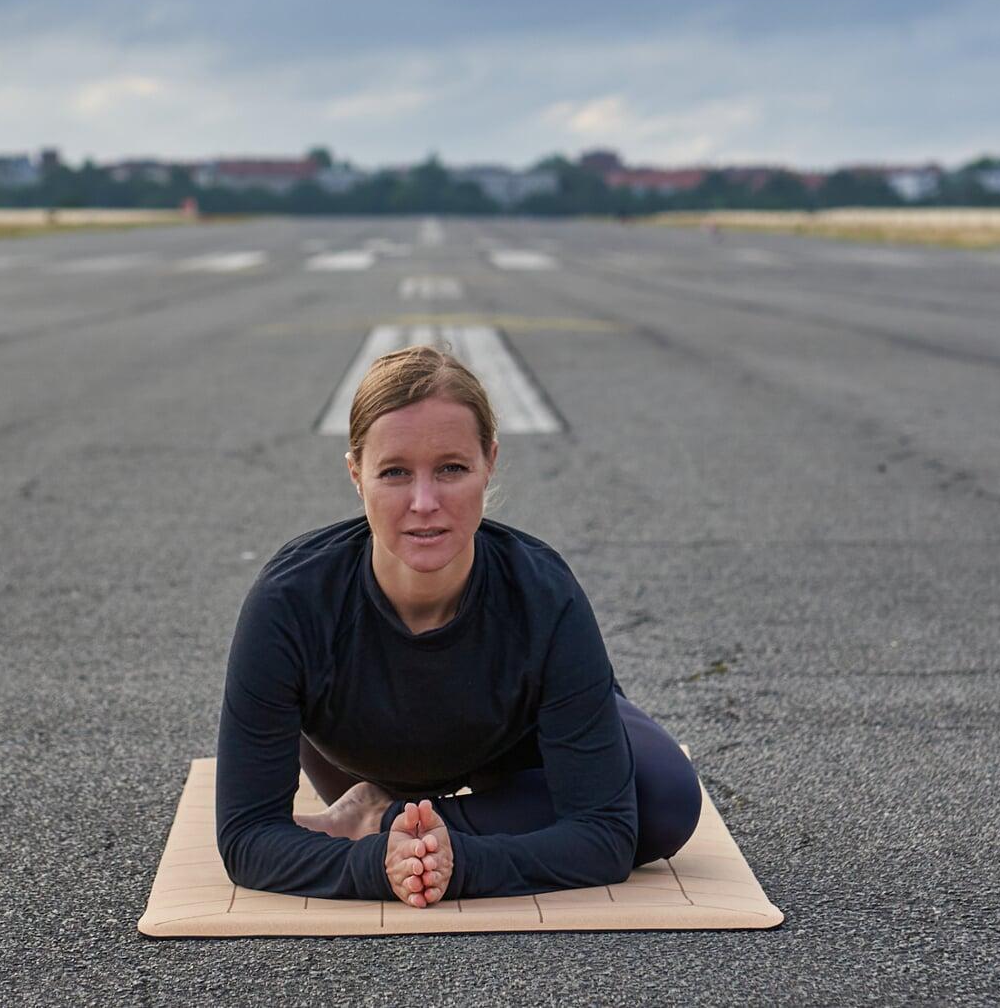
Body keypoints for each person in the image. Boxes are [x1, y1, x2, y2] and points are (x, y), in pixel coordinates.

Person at [215, 345, 702, 908]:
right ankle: (382, 807)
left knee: (662, 801)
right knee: (604, 817)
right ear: (356, 475)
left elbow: (605, 834)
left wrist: (453, 859)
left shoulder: (543, 594)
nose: (425, 502)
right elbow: (247, 836)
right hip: (371, 748)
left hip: (520, 749)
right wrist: (376, 867)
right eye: (394, 472)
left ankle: (381, 814)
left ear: (489, 462)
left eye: (451, 469)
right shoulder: (290, 600)